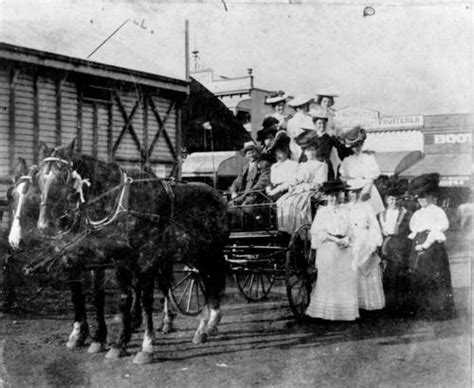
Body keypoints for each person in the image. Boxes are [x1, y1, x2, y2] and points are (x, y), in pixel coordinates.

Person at [306, 180, 359, 321]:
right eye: (331, 196)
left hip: (344, 248)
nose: (334, 199)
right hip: (329, 248)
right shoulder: (322, 212)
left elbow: (352, 229)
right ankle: (328, 313)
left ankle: (343, 313)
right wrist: (336, 240)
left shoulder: (345, 211)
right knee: (330, 279)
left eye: (337, 195)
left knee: (344, 279)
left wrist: (347, 239)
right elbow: (319, 233)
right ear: (326, 196)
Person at [407, 173, 456, 320]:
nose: (422, 200)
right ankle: (423, 310)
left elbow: (438, 229)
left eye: (424, 196)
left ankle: (437, 311)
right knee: (420, 277)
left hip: (433, 248)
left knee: (434, 278)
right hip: (419, 245)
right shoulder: (418, 213)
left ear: (430, 196)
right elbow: (413, 229)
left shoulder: (437, 211)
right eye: (419, 197)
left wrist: (425, 244)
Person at [276, 130, 327, 234]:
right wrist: (287, 187)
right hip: (298, 191)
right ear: (304, 152)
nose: (311, 153)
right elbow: (295, 179)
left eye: (313, 150)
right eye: (308, 151)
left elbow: (320, 183)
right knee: (281, 203)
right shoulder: (302, 165)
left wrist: (303, 188)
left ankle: (303, 233)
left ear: (316, 150)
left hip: (312, 191)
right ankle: (287, 232)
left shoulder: (321, 165)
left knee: (298, 206)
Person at [346, 179, 385, 313]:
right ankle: (355, 305)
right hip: (351, 240)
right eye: (352, 192)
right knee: (353, 270)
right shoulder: (346, 208)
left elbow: (374, 226)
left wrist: (374, 243)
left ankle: (370, 305)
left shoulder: (367, 207)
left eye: (357, 192)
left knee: (367, 270)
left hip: (365, 239)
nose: (355, 195)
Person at [378, 181, 413, 315]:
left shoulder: (406, 214)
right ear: (387, 200)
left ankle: (401, 307)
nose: (394, 202)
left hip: (400, 247)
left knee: (399, 276)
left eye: (396, 199)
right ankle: (387, 306)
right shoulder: (381, 214)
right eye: (391, 199)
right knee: (387, 275)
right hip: (385, 247)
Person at [339, 126, 384, 215]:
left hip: (367, 189)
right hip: (351, 191)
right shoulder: (347, 160)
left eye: (358, 145)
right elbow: (343, 177)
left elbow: (371, 178)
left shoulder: (368, 158)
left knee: (368, 214)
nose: (356, 148)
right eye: (354, 146)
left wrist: (366, 191)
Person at [306, 109, 353, 180]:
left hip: (325, 165)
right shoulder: (311, 138)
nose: (322, 125)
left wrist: (353, 152)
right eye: (319, 123)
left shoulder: (330, 138)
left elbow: (341, 148)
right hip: (313, 166)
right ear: (315, 124)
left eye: (324, 123)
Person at [229, 141, 271, 206]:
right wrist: (233, 191)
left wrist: (250, 192)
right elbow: (237, 181)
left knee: (245, 205)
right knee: (230, 204)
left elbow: (263, 181)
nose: (251, 155)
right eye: (249, 153)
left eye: (253, 152)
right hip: (243, 195)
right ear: (246, 155)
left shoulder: (263, 164)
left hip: (256, 194)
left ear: (257, 153)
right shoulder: (245, 168)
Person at [265, 131, 299, 201]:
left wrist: (277, 190)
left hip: (285, 190)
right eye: (276, 153)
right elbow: (271, 181)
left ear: (286, 152)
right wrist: (268, 187)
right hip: (273, 191)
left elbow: (291, 181)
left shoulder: (292, 164)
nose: (278, 156)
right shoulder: (274, 166)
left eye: (280, 153)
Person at [286, 95, 314, 162]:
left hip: (311, 147)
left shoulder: (311, 119)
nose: (303, 108)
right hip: (297, 148)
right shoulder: (292, 121)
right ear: (296, 108)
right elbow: (291, 138)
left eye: (304, 105)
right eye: (300, 106)